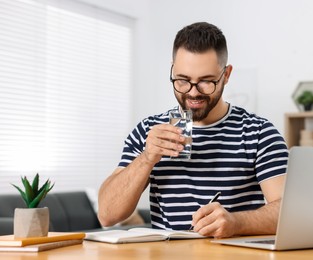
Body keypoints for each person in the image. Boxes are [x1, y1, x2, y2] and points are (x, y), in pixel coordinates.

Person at [98, 22, 289, 238]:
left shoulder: (258, 132)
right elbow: (107, 214)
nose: (193, 93)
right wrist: (147, 158)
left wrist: (237, 222)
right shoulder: (147, 131)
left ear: (226, 75)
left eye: (206, 82)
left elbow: (289, 211)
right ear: (172, 70)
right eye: (183, 80)